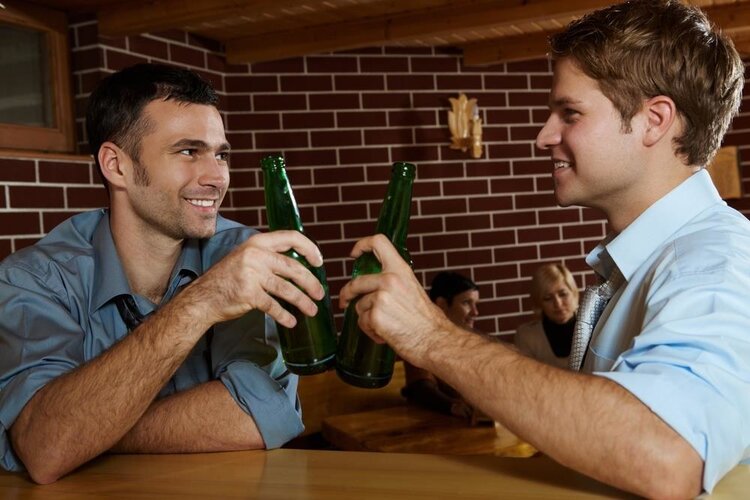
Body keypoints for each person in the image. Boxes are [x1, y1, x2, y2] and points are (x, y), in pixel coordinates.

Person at [338, 1, 750, 497]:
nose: (543, 136)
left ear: (654, 121)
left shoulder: (713, 262)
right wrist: (429, 330)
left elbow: (668, 452)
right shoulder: (657, 260)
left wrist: (432, 339)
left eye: (570, 113)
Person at [0, 63, 325, 484]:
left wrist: (91, 429)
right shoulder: (36, 279)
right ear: (116, 165)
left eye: (221, 153)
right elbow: (46, 447)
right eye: (188, 151)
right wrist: (203, 301)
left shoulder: (246, 256)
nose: (217, 177)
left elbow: (257, 416)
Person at [401, 271, 479, 418]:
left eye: (476, 304)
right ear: (442, 304)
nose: (475, 312)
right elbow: (420, 387)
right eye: (466, 303)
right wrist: (452, 406)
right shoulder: (420, 340)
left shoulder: (469, 340)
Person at [514, 263, 579, 369]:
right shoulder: (526, 336)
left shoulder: (594, 327)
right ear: (539, 303)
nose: (558, 304)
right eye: (548, 298)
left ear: (574, 293)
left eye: (563, 294)